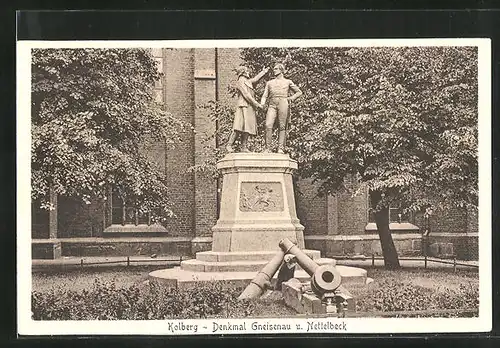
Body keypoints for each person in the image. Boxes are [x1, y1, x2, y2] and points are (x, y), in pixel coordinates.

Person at [260, 63, 303, 153]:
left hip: (283, 103)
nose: (274, 70)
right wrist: (262, 104)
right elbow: (264, 95)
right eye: (274, 69)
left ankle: (280, 148)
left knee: (282, 126)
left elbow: (299, 92)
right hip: (272, 104)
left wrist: (290, 98)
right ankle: (268, 148)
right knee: (268, 125)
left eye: (276, 69)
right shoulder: (269, 83)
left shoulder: (288, 82)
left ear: (281, 70)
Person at [226, 66, 269, 153]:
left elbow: (255, 79)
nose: (248, 72)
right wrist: (257, 104)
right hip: (243, 106)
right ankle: (229, 145)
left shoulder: (247, 81)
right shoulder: (240, 81)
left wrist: (263, 72)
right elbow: (246, 95)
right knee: (238, 127)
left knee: (247, 128)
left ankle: (244, 147)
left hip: (249, 107)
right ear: (243, 72)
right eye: (247, 71)